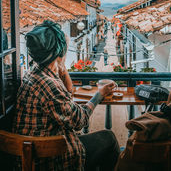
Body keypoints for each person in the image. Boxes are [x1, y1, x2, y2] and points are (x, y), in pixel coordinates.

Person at [12, 20, 120, 171]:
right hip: (50, 160)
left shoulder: (35, 73)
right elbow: (79, 121)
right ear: (59, 51)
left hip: (32, 154)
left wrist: (61, 66)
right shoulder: (50, 85)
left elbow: (68, 94)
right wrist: (99, 94)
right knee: (109, 139)